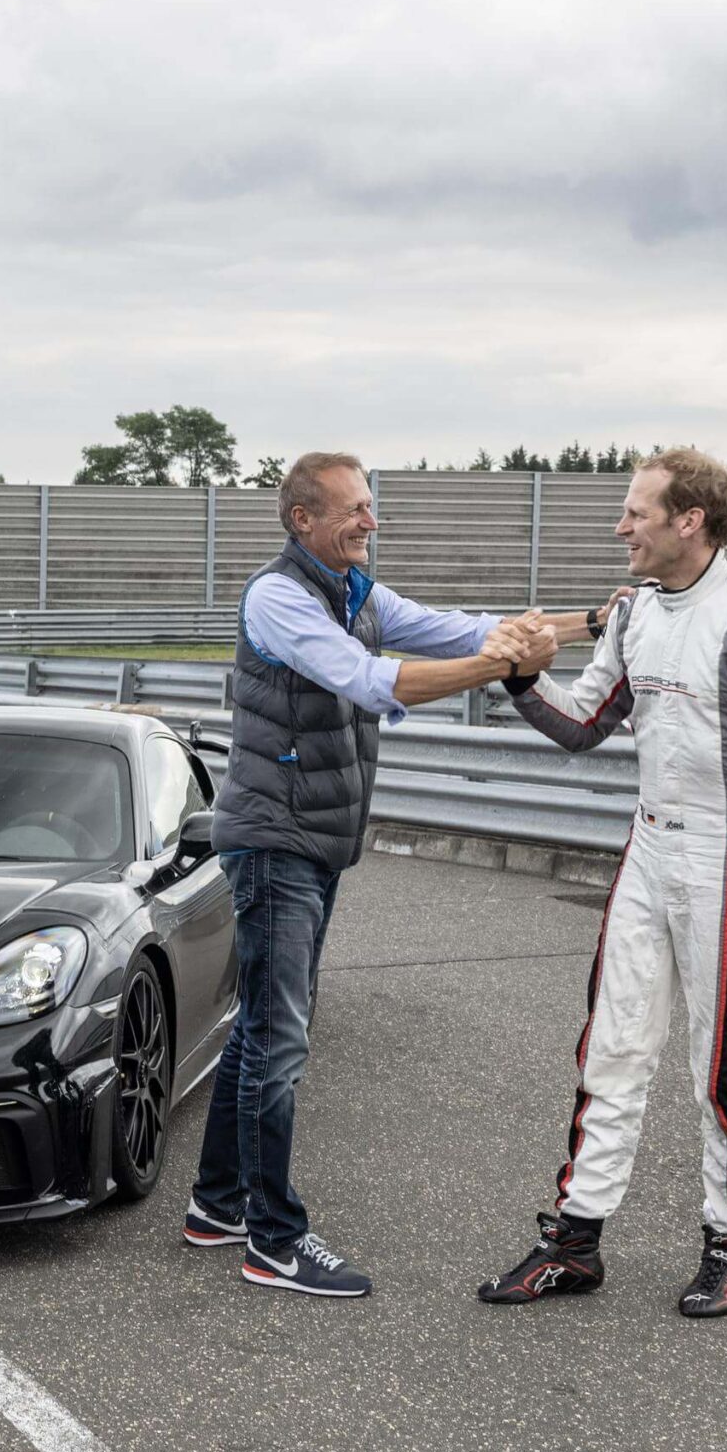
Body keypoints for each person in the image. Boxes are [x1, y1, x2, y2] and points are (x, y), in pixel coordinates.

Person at [186, 452, 612, 1298]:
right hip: (276, 842)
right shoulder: (279, 597)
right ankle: (273, 1242)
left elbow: (458, 628)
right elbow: (373, 681)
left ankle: (216, 1203)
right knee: (279, 1042)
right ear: (302, 519)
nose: (370, 522)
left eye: (370, 507)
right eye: (352, 510)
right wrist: (502, 666)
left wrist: (589, 621)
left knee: (260, 1030)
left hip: (313, 838)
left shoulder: (356, 593)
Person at [474, 447, 727, 1319]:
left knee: (721, 1070)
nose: (619, 527)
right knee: (612, 1048)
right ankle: (576, 1241)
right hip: (647, 852)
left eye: (635, 513)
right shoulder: (633, 612)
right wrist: (522, 677)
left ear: (689, 521)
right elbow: (584, 724)